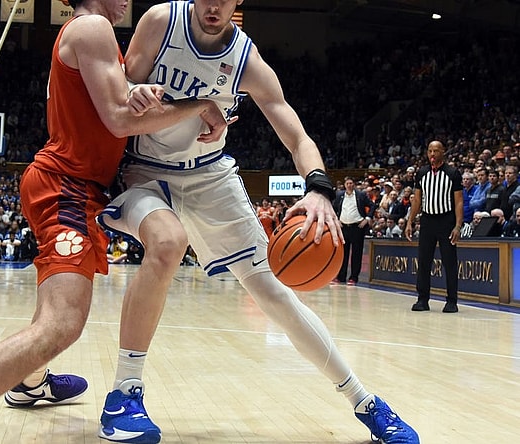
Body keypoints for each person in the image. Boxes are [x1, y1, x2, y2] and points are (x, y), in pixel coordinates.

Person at [0, 0, 228, 442]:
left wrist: (141, 94)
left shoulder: (88, 32)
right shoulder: (92, 27)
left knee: (53, 310)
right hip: (66, 187)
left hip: (75, 185)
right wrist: (200, 103)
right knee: (62, 324)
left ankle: (31, 385)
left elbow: (119, 108)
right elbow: (121, 119)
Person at [96, 1, 418, 443]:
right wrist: (134, 91)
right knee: (167, 245)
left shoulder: (246, 59)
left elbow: (296, 134)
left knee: (274, 293)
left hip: (210, 175)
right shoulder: (159, 22)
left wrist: (319, 189)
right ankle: (124, 393)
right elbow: (119, 90)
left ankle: (366, 403)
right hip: (145, 171)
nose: (215, 6)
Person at [405, 140, 463, 314]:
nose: (432, 154)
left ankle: (451, 301)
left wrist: (458, 225)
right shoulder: (422, 173)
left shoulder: (452, 173)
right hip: (428, 221)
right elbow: (417, 200)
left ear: (442, 152)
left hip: (446, 221)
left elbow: (459, 201)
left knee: (449, 262)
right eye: (429, 150)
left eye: (436, 151)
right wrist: (410, 221)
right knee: (424, 261)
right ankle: (423, 299)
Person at [333, 177, 374, 285]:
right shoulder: (339, 195)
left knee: (357, 253)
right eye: (347, 183)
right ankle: (340, 276)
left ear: (354, 184)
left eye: (351, 183)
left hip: (357, 227)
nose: (349, 185)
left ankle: (353, 277)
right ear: (344, 185)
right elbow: (333, 208)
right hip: (343, 227)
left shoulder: (361, 195)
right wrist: (336, 220)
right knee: (343, 253)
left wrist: (367, 219)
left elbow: (372, 205)